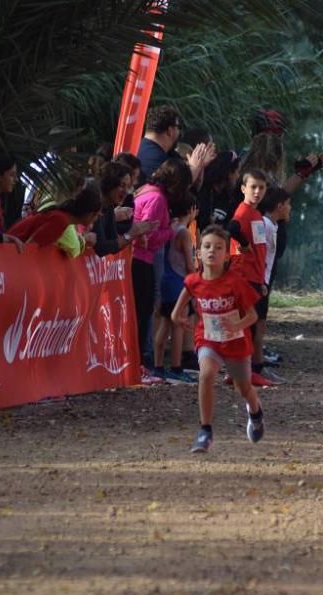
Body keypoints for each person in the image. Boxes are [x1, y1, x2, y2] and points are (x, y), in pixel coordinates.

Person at [171, 225, 265, 454]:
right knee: (206, 374)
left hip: (235, 342)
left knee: (243, 387)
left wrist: (237, 325)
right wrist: (177, 316)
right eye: (207, 246)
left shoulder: (235, 283)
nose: (212, 251)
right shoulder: (194, 281)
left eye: (218, 247)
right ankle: (205, 430)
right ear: (199, 252)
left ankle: (255, 411)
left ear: (226, 255)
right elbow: (181, 303)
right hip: (208, 339)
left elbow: (252, 315)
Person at [131, 159, 192, 380]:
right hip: (141, 261)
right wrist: (170, 230)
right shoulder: (157, 199)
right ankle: (141, 364)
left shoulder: (145, 191)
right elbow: (146, 234)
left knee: (151, 315)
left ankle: (145, 363)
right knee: (144, 314)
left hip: (139, 260)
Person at [227, 169, 273, 387]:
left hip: (255, 277)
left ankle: (236, 371)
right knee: (249, 326)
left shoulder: (255, 214)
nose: (257, 192)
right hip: (245, 278)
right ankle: (247, 372)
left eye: (261, 188)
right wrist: (243, 244)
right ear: (243, 188)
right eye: (253, 187)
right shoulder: (244, 212)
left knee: (247, 327)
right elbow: (232, 227)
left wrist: (262, 280)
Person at [154, 196, 197, 384]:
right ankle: (176, 367)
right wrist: (196, 281)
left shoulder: (169, 227)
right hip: (179, 282)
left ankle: (157, 365)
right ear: (192, 210)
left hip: (165, 278)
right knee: (179, 323)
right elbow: (189, 263)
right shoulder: (184, 233)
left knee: (165, 322)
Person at [256, 186, 292, 385]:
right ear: (279, 206)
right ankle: (254, 368)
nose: (290, 209)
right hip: (259, 282)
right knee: (257, 325)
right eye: (288, 205)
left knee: (260, 324)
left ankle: (257, 366)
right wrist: (260, 281)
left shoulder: (272, 225)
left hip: (264, 281)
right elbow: (259, 255)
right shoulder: (265, 226)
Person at [7, 186, 100, 258]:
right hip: (8, 252)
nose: (96, 219)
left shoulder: (63, 219)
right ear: (90, 214)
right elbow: (30, 246)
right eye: (96, 215)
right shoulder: (60, 221)